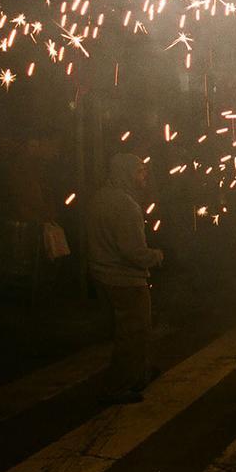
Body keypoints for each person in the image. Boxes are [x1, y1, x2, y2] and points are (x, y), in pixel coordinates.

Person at [88, 153, 164, 405]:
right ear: (127, 173)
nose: (144, 177)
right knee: (133, 333)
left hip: (103, 274)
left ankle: (140, 373)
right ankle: (120, 385)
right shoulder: (126, 206)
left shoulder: (100, 198)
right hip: (126, 280)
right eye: (140, 172)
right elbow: (132, 251)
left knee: (134, 331)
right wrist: (155, 256)